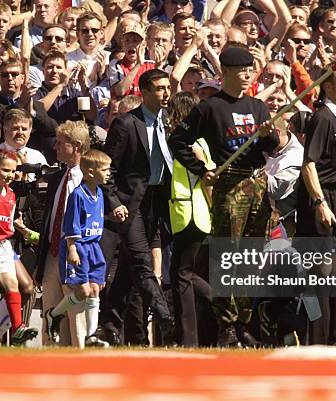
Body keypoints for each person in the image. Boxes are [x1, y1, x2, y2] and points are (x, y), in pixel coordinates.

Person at [168, 47, 279, 347]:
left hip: (256, 183)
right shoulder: (210, 107)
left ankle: (245, 322)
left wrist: (269, 134)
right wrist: (201, 169)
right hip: (229, 186)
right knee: (227, 257)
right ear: (226, 72)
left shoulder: (258, 106)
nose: (246, 74)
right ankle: (226, 325)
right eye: (241, 69)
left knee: (251, 258)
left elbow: (272, 147)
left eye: (250, 69)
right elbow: (178, 141)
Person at [101, 68, 175, 345]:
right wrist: (114, 202)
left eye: (168, 87)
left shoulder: (168, 121)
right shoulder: (126, 124)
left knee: (127, 273)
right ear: (143, 93)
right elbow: (108, 169)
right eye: (159, 88)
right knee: (143, 264)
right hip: (130, 206)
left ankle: (108, 324)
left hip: (156, 203)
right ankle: (166, 317)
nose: (166, 93)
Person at [294, 71, 336, 346]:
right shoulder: (323, 118)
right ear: (328, 86)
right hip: (321, 199)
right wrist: (320, 203)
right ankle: (316, 338)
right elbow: (309, 164)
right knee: (320, 272)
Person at [46, 149, 112, 347]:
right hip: (78, 246)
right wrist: (72, 249)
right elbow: (71, 225)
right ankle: (54, 315)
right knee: (82, 290)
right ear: (90, 172)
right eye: (105, 169)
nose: (109, 173)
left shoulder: (99, 192)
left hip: (93, 247)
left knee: (94, 289)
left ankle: (92, 336)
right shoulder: (77, 195)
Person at [35, 121, 91, 347]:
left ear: (77, 146)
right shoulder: (58, 178)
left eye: (60, 143)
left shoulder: (90, 179)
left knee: (76, 313)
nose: (55, 147)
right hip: (52, 254)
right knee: (50, 311)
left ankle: (80, 360)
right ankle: (50, 359)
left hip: (76, 255)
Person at [167, 91, 214, 347]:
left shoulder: (193, 145)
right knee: (182, 273)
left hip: (193, 214)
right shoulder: (198, 142)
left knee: (183, 273)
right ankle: (187, 336)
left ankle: (189, 337)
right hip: (189, 213)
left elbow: (207, 182)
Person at [0, 150, 39, 345]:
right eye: (5, 170)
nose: (10, 175)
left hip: (3, 246)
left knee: (13, 284)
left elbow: (8, 223)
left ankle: (17, 327)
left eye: (13, 171)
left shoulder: (11, 194)